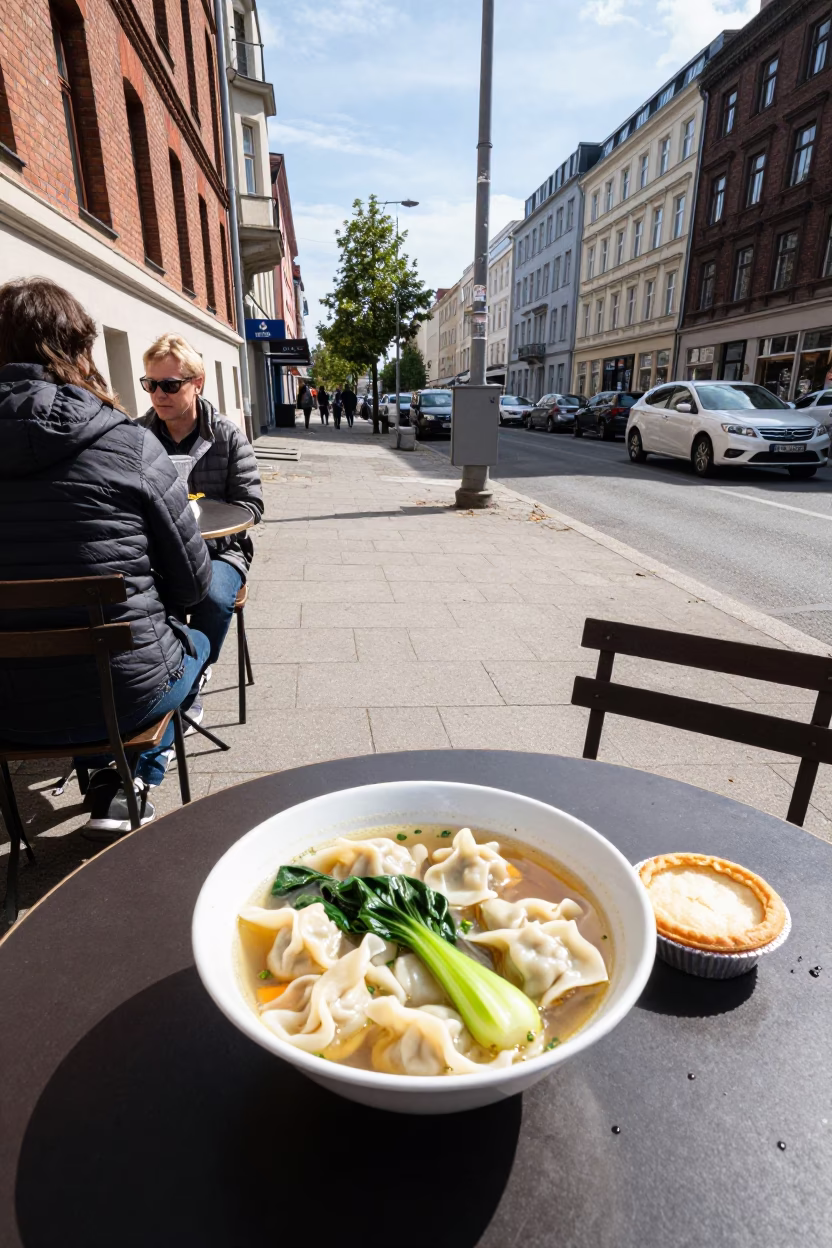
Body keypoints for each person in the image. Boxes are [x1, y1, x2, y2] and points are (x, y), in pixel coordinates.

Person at [0, 278, 212, 838]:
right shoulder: (129, 443)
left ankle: (103, 773)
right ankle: (129, 777)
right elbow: (192, 586)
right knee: (195, 641)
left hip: (7, 711)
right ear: (80, 350)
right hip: (124, 696)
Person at [137, 335, 264, 701]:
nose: (159, 394)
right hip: (159, 555)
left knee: (212, 597)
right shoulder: (137, 437)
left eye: (170, 385)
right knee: (142, 600)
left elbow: (251, 505)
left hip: (220, 552)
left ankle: (192, 682)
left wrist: (203, 536)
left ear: (197, 383)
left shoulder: (227, 436)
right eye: (151, 384)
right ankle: (164, 681)